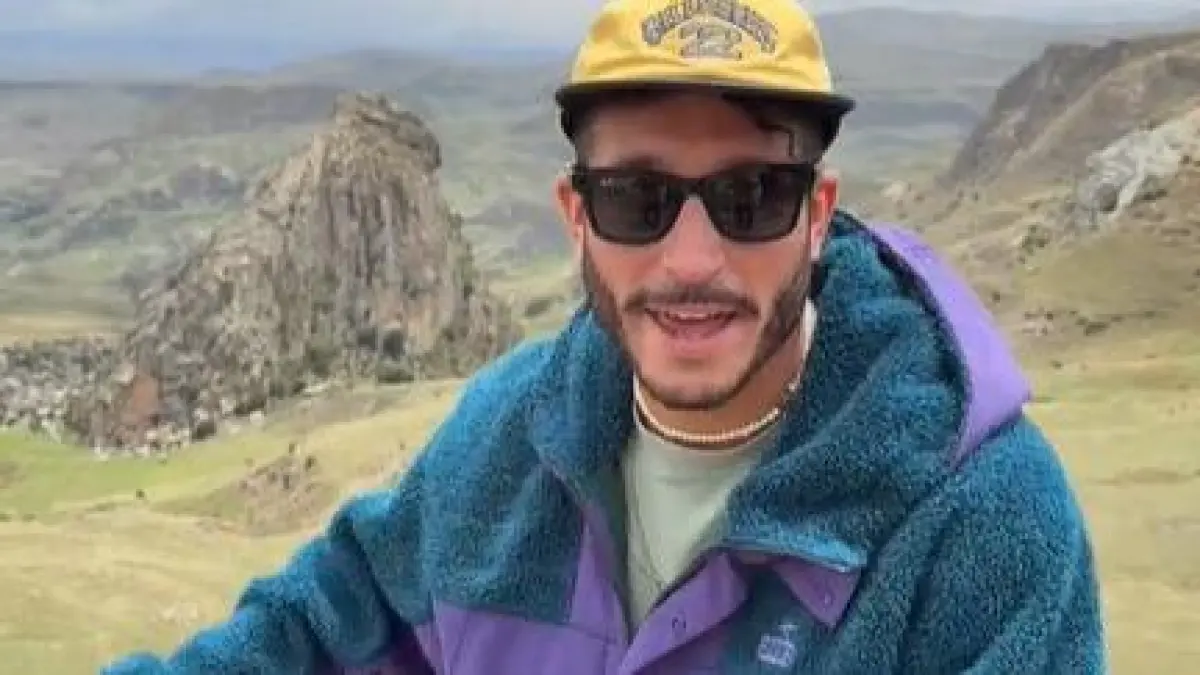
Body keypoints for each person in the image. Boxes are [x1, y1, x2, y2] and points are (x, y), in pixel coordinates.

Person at [103, 0, 1108, 673]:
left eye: (751, 197)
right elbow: (317, 633)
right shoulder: (503, 441)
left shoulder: (980, 523)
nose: (692, 260)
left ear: (816, 213)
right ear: (576, 216)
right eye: (637, 199)